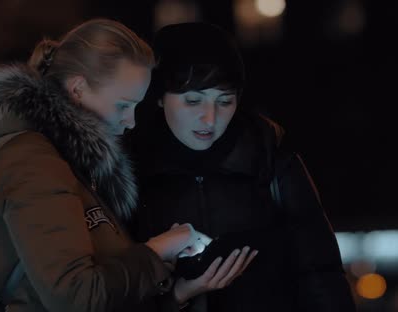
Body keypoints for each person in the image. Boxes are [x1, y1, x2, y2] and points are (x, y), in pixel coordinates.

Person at [0, 18, 252, 312]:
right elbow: (77, 298)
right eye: (123, 105)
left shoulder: (66, 160)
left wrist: (178, 294)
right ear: (78, 89)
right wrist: (158, 249)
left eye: (137, 107)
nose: (131, 121)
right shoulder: (31, 160)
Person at [126, 22, 356, 312]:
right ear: (159, 97)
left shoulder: (268, 155)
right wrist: (174, 297)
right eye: (193, 100)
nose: (209, 118)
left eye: (225, 101)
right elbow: (112, 288)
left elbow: (320, 270)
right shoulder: (129, 167)